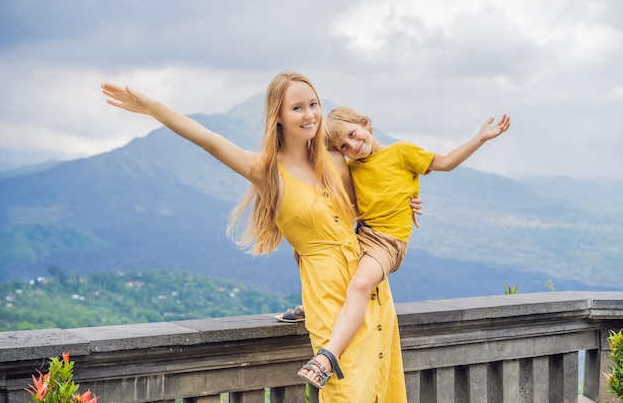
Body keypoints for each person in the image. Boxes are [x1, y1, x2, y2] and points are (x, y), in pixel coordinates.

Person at [101, 72, 408, 402]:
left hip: (368, 291)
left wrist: (408, 200)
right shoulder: (267, 171)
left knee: (381, 388)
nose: (309, 115)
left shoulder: (335, 159)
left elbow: (371, 207)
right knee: (346, 393)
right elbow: (209, 140)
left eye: (314, 105)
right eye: (297, 108)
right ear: (278, 116)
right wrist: (152, 107)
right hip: (328, 296)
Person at [297, 106, 510, 388]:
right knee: (308, 247)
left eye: (352, 134)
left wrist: (480, 138)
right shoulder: (350, 168)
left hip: (387, 242)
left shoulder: (402, 152)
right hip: (362, 234)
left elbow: (445, 162)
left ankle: (327, 359)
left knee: (360, 285)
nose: (352, 145)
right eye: (343, 146)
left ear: (366, 123)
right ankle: (313, 305)